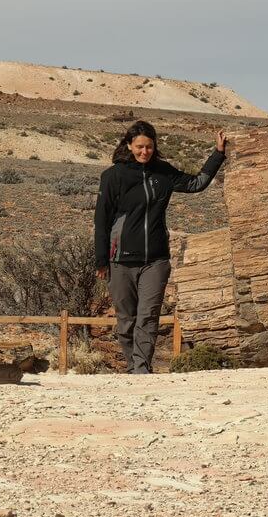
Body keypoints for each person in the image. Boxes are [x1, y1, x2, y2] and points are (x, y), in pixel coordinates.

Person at [94, 120, 226, 374]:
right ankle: (133, 366)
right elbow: (101, 219)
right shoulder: (113, 176)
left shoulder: (163, 173)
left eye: (150, 147)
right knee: (126, 320)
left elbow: (196, 183)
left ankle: (142, 369)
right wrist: (101, 260)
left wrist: (217, 154)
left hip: (156, 260)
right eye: (140, 147)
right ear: (129, 145)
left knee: (148, 316)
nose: (145, 152)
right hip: (120, 260)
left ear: (155, 146)